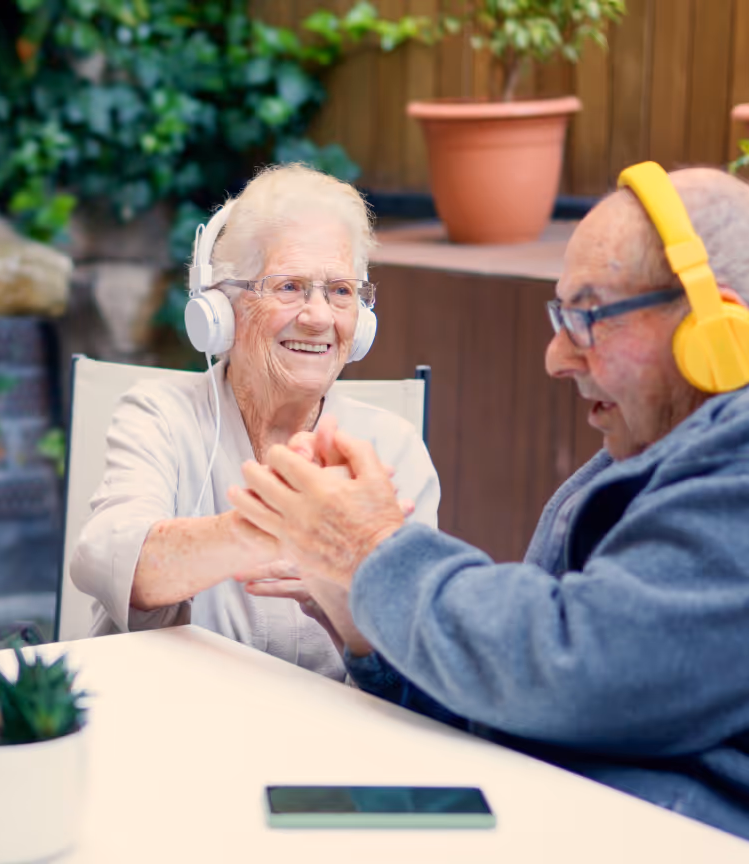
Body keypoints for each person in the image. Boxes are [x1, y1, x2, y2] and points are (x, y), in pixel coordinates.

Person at [230, 165, 749, 840]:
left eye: (587, 316)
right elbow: (516, 696)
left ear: (718, 329)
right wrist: (359, 614)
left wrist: (373, 550)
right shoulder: (626, 464)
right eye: (560, 316)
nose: (555, 357)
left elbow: (575, 667)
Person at [70, 163, 440, 679]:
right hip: (171, 722)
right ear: (221, 309)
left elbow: (420, 653)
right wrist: (283, 526)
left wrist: (346, 605)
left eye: (340, 291)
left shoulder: (391, 448)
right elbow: (109, 560)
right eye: (289, 286)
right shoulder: (159, 414)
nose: (318, 316)